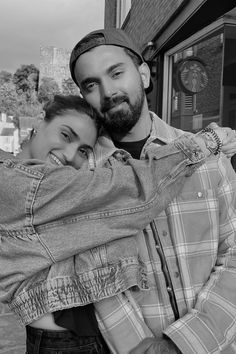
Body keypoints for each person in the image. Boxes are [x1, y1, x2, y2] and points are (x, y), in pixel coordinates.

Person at [0, 94, 225, 353]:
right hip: (65, 344)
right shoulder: (20, 185)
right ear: (40, 121)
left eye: (84, 150)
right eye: (66, 135)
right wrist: (206, 143)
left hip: (84, 336)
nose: (70, 155)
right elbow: (132, 195)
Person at [68, 28, 236, 353]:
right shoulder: (81, 182)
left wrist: (182, 343)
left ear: (143, 73)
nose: (108, 91)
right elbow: (97, 279)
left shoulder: (207, 157)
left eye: (116, 72)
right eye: (91, 85)